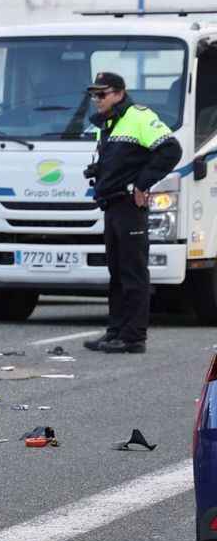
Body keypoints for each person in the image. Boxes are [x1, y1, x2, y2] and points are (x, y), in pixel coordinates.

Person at [80, 72, 181, 353]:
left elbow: (171, 150)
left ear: (119, 94)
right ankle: (115, 331)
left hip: (129, 205)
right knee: (116, 272)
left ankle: (134, 337)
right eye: (94, 94)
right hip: (112, 204)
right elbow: (120, 159)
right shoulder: (107, 124)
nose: (97, 99)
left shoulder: (138, 116)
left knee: (133, 271)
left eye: (103, 94)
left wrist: (142, 183)